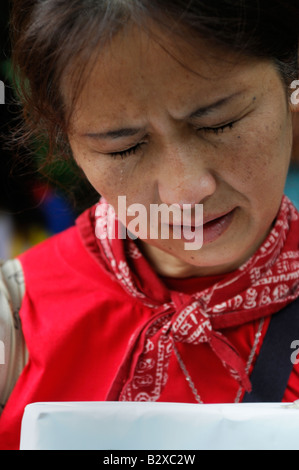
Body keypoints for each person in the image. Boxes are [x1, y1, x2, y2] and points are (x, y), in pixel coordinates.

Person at [1, 0, 299, 450]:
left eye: (220, 122)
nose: (187, 191)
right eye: (124, 149)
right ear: (69, 145)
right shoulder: (15, 319)